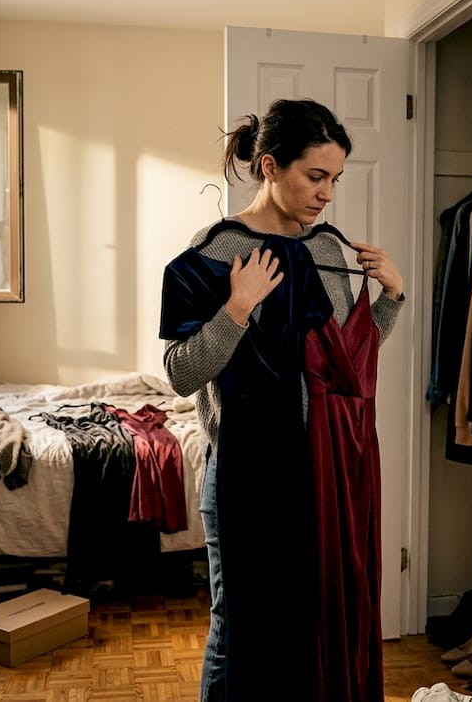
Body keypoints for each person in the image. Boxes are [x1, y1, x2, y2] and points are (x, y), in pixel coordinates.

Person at [158, 98, 405, 702]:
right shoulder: (213, 253)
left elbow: (346, 363)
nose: (327, 194)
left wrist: (392, 297)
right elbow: (182, 374)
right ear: (269, 166)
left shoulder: (329, 252)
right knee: (238, 628)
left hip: (322, 472)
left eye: (335, 180)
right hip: (244, 473)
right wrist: (236, 310)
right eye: (314, 176)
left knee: (311, 621)